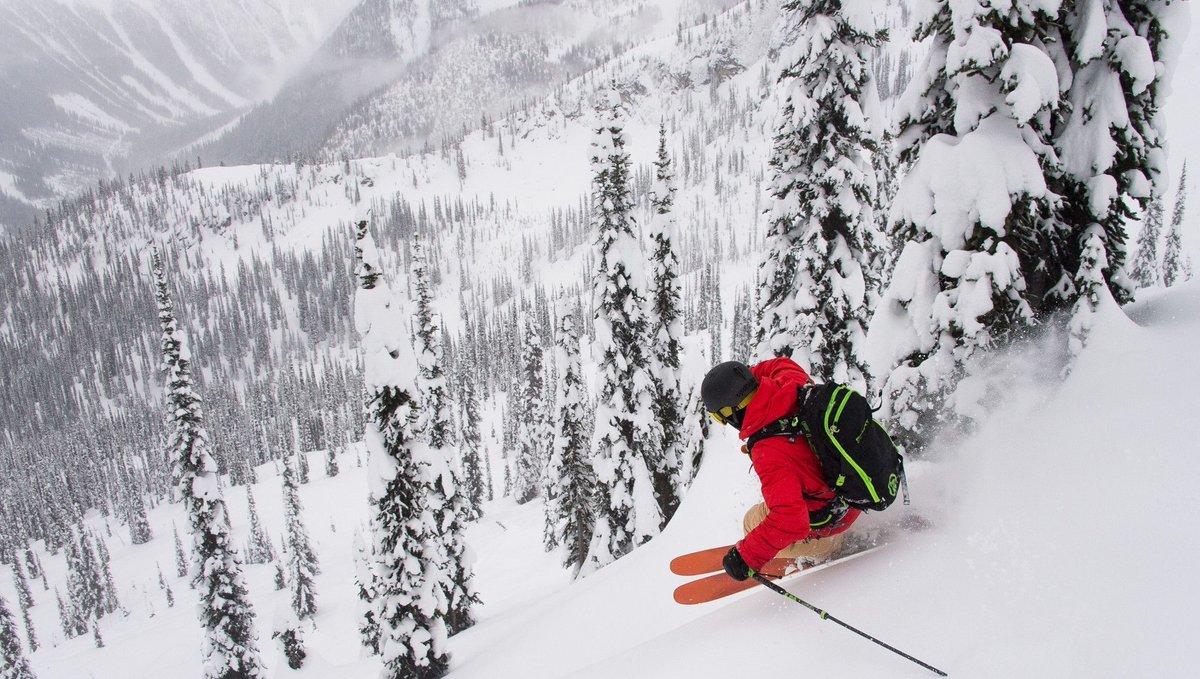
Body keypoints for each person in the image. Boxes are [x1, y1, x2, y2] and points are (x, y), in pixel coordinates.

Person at [700, 356, 860, 581]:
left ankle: (824, 553)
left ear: (730, 412)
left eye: (719, 417)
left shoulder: (769, 453)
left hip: (833, 523)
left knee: (751, 519)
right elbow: (779, 363)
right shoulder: (791, 383)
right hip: (852, 496)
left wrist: (746, 557)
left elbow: (790, 520)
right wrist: (741, 380)